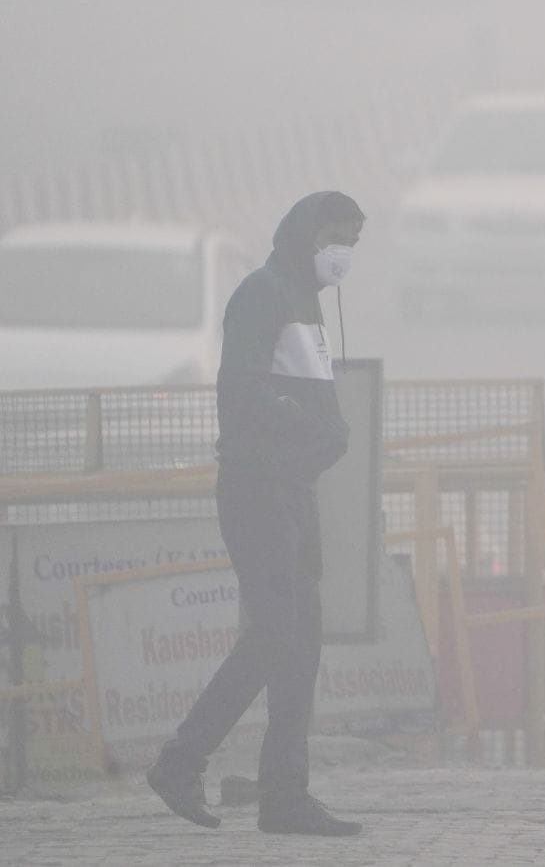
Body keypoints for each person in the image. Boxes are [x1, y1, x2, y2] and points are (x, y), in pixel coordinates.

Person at [146, 191, 364, 836]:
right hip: (257, 487)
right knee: (275, 633)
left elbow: (302, 395)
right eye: (336, 235)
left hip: (294, 488)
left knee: (301, 639)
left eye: (354, 240)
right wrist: (306, 424)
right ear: (303, 232)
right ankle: (181, 761)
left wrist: (328, 434)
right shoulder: (263, 293)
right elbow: (240, 386)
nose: (344, 251)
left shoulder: (310, 305)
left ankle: (285, 795)